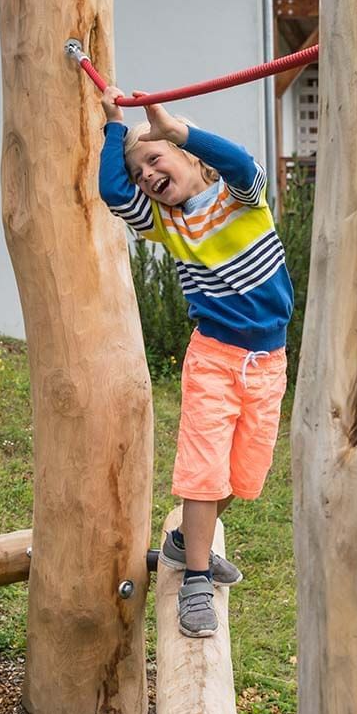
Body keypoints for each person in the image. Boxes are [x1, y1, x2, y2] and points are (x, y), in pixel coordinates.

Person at [98, 85, 293, 638]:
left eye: (154, 160)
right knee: (204, 472)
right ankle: (197, 580)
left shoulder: (241, 198)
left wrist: (173, 129)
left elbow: (239, 161)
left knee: (243, 474)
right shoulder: (165, 222)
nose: (146, 177)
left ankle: (186, 544)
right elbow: (112, 189)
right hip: (214, 358)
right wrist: (117, 126)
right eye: (141, 173)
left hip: (269, 362)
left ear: (188, 158)